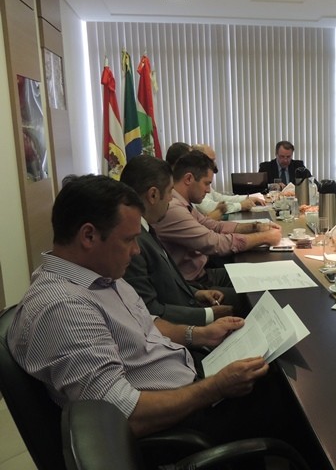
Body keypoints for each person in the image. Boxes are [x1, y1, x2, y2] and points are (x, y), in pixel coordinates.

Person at [6, 174, 272, 440]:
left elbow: (145, 323)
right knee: (280, 396)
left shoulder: (98, 274)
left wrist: (199, 334)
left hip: (188, 379)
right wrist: (216, 388)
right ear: (88, 236)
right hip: (178, 421)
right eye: (128, 240)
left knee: (272, 371)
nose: (136, 251)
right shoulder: (62, 308)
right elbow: (122, 415)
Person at [120, 155, 248, 324]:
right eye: (169, 192)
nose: (171, 199)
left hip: (190, 295)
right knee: (251, 299)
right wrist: (208, 315)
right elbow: (149, 311)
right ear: (153, 195)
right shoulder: (133, 242)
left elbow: (168, 279)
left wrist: (196, 292)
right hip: (183, 318)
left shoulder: (147, 227)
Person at [153, 150, 282, 287]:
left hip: (202, 272)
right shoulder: (174, 208)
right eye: (206, 183)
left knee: (262, 275)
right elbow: (215, 243)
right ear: (188, 179)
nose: (208, 190)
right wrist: (264, 238)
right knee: (260, 284)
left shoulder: (183, 203)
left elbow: (214, 226)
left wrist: (257, 227)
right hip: (193, 284)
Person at [192, 143, 265, 216]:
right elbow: (208, 208)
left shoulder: (202, 180)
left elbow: (219, 198)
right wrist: (240, 205)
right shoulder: (194, 182)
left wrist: (247, 198)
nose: (214, 164)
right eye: (211, 160)